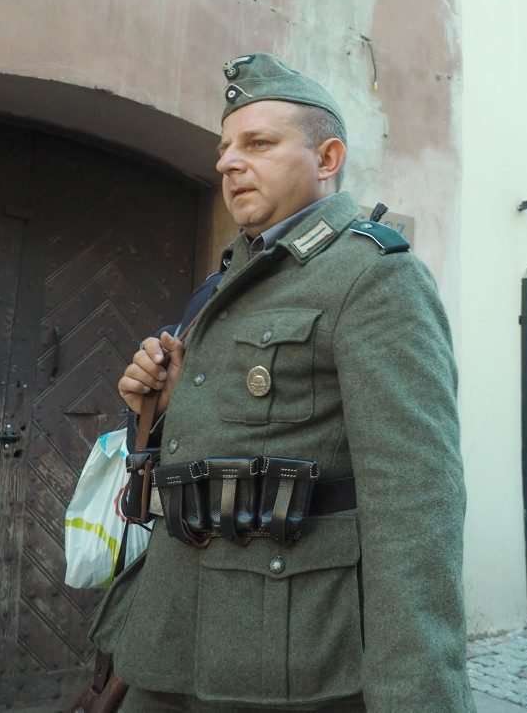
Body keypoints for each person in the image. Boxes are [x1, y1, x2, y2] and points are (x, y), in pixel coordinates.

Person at [96, 53, 475, 712]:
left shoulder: (374, 277)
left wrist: (417, 696)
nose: (228, 163)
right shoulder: (226, 281)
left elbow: (415, 506)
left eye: (258, 144)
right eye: (224, 149)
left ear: (327, 158)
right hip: (169, 634)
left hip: (286, 654)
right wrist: (158, 409)